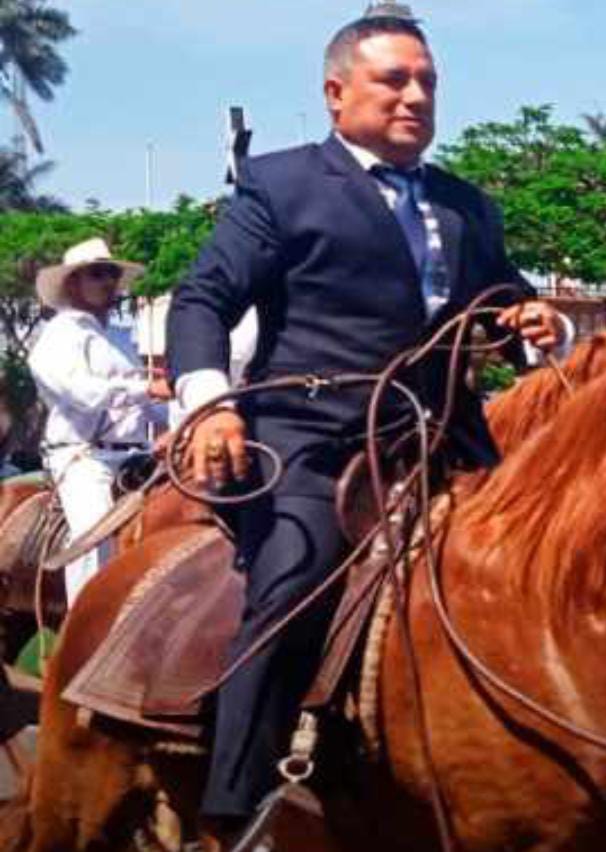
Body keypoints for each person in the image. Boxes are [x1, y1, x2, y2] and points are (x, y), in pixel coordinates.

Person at [165, 9, 569, 834]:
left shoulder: (468, 205)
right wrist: (209, 404)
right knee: (291, 583)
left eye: (428, 82)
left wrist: (533, 322)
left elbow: (500, 301)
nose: (415, 95)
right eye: (394, 79)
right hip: (314, 441)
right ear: (335, 91)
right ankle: (237, 810)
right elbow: (202, 298)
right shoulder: (279, 184)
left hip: (448, 441)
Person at [28, 237, 172, 606]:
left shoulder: (120, 338)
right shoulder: (59, 335)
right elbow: (84, 394)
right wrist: (148, 389)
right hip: (85, 458)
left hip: (138, 455)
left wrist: (178, 420)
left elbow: (149, 404)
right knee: (93, 537)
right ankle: (86, 625)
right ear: (73, 284)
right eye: (97, 274)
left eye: (112, 273)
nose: (108, 281)